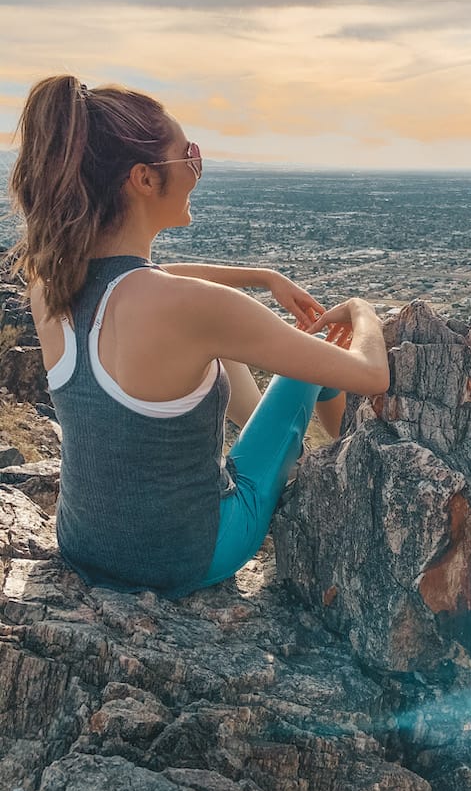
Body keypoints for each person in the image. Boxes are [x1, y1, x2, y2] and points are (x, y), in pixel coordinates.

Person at [8, 75, 389, 598]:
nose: (197, 168)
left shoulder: (48, 289)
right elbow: (371, 374)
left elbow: (146, 276)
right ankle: (344, 467)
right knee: (312, 367)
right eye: (190, 154)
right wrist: (364, 313)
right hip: (189, 558)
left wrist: (261, 277)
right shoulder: (191, 308)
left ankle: (297, 451)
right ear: (144, 178)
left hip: (84, 545)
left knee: (221, 358)